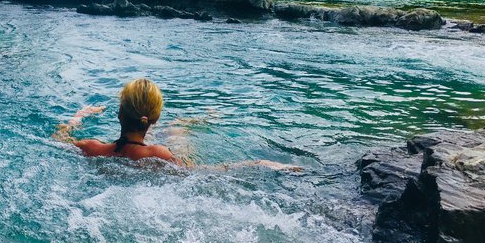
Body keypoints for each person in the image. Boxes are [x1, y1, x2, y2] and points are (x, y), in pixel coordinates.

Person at [53, 78, 302, 172]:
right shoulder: (158, 154)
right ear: (153, 119)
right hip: (158, 156)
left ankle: (183, 124)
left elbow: (58, 141)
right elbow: (203, 173)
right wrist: (259, 163)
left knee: (176, 134)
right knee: (178, 134)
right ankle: (185, 123)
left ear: (119, 114)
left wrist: (79, 115)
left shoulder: (91, 148)